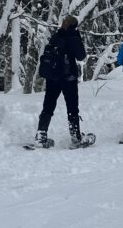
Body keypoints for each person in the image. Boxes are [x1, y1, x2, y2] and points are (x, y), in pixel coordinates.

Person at [35, 15, 92, 147]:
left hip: (52, 78)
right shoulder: (73, 38)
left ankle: (41, 135)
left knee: (48, 106)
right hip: (68, 78)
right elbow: (81, 56)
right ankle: (76, 136)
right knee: (72, 107)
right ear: (74, 26)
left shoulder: (56, 36)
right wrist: (77, 38)